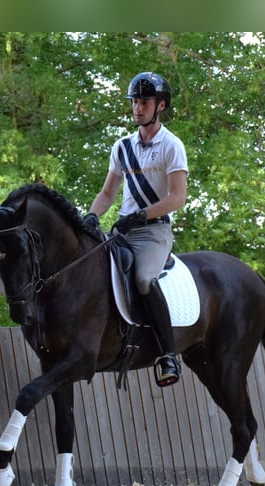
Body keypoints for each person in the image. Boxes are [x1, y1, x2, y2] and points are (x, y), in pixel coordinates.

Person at [84, 72, 188, 387]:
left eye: (144, 102)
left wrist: (141, 216)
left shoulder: (172, 145)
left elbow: (177, 198)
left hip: (153, 231)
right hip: (122, 230)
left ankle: (168, 355)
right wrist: (90, 216)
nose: (137, 108)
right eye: (134, 102)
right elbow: (107, 194)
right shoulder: (122, 147)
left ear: (160, 106)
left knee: (143, 278)